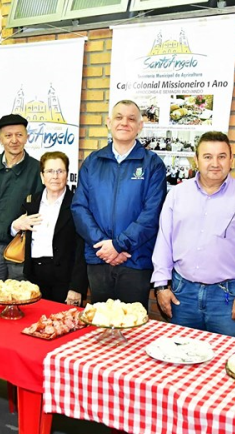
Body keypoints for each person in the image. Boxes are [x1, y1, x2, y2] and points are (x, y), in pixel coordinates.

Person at [151, 131, 235, 338]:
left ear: (231, 160)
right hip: (182, 294)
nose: (215, 163)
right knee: (180, 352)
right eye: (207, 157)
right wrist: (161, 286)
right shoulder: (177, 195)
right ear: (196, 160)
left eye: (221, 156)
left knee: (227, 355)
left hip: (226, 298)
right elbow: (164, 242)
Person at [71, 99, 166, 310]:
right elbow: (79, 208)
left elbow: (152, 214)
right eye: (119, 117)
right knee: (100, 321)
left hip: (135, 260)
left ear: (140, 126)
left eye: (131, 119)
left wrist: (119, 245)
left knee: (133, 323)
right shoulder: (92, 162)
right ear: (109, 122)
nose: (124, 123)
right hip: (99, 258)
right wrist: (104, 245)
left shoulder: (153, 164)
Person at [10, 151, 87, 305]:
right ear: (42, 176)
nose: (55, 176)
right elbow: (15, 232)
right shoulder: (31, 202)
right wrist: (15, 226)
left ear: (67, 175)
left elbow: (82, 249)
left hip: (65, 280)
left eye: (60, 171)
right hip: (33, 278)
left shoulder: (77, 205)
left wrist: (76, 287)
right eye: (50, 171)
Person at [0, 114, 43, 283]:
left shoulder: (37, 169)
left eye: (19, 135)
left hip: (21, 244)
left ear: (27, 137)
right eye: (8, 135)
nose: (14, 140)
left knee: (19, 294)